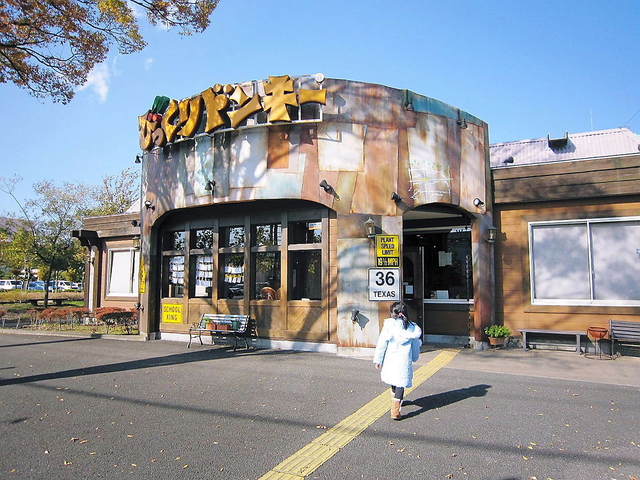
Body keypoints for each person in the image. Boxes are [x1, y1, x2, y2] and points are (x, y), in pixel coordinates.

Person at [373, 301, 422, 420]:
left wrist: (378, 359)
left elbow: (382, 342)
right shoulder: (412, 328)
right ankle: (396, 409)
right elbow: (415, 346)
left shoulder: (389, 326)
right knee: (401, 382)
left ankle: (396, 400)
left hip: (391, 359)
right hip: (403, 361)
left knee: (393, 379)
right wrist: (415, 357)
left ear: (393, 313)